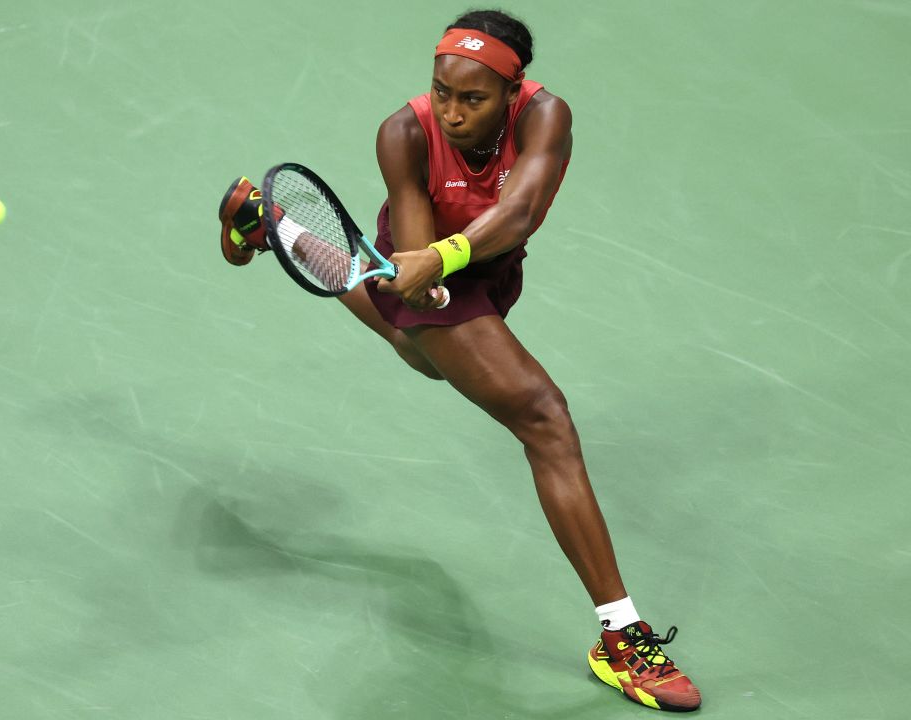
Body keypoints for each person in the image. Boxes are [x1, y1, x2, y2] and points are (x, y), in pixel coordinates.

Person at [218, 9, 701, 713]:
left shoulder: (547, 119)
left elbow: (522, 209)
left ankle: (269, 223)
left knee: (422, 359)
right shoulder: (403, 133)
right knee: (545, 420)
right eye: (441, 91)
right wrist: (424, 271)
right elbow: (419, 246)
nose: (450, 111)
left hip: (486, 263)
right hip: (431, 262)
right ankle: (622, 639)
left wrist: (440, 262)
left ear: (512, 92)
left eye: (471, 99)